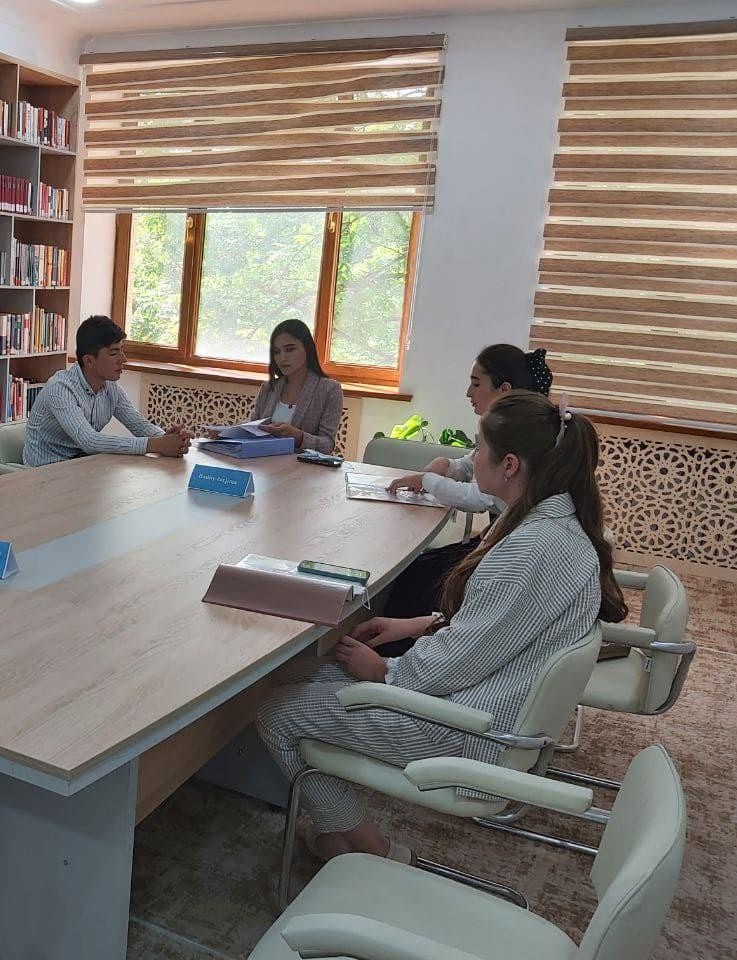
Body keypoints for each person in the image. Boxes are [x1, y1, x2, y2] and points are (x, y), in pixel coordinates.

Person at [257, 391, 625, 865]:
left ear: (510, 465)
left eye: (479, 448)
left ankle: (371, 849)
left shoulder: (531, 546)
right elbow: (503, 626)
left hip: (471, 728)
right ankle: (340, 833)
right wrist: (420, 623)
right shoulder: (556, 524)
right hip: (495, 705)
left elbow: (456, 662)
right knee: (305, 673)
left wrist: (385, 673)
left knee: (277, 712)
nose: (472, 458)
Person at [376, 345, 554, 652]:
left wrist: (428, 480)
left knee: (418, 577)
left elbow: (477, 495)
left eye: (476, 383)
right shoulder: (506, 429)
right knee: (418, 566)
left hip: (500, 550)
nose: (468, 393)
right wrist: (445, 465)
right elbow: (471, 464)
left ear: (504, 389)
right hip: (495, 542)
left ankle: (397, 656)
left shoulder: (518, 438)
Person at [23, 315, 193, 466]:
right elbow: (90, 441)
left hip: (80, 467)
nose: (123, 360)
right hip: (44, 471)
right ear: (89, 361)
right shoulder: (60, 388)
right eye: (113, 353)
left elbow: (140, 425)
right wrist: (154, 444)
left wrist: (169, 438)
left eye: (122, 350)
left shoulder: (111, 388)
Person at [251, 319, 344, 454]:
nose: (282, 358)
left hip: (302, 465)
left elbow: (327, 445)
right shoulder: (269, 388)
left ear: (307, 348)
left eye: (290, 350)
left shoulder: (329, 389)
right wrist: (226, 433)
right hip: (263, 460)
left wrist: (299, 437)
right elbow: (252, 429)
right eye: (277, 352)